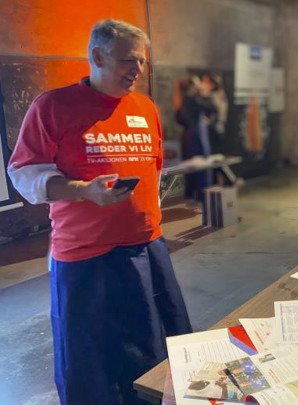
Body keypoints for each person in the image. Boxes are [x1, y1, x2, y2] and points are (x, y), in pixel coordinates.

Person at [7, 20, 192, 405]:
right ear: (97, 56)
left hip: (147, 247)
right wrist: (82, 192)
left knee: (153, 347)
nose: (138, 71)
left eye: (141, 62)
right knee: (91, 360)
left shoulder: (145, 108)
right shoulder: (53, 107)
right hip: (85, 255)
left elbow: (153, 170)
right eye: (128, 61)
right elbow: (25, 173)